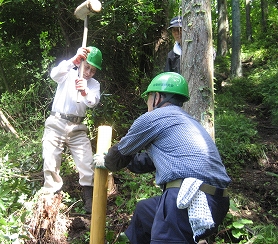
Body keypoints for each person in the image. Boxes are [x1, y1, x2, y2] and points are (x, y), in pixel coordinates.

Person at [93, 72, 231, 243]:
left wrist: (106, 161)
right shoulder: (188, 123)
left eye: (148, 98)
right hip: (217, 202)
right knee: (145, 212)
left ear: (157, 97)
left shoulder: (152, 118)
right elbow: (145, 162)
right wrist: (123, 162)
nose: (147, 104)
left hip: (187, 198)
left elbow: (120, 154)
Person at [42, 46, 102, 214]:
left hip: (77, 127)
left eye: (93, 70)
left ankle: (89, 199)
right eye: (87, 67)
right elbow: (54, 75)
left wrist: (84, 90)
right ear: (81, 63)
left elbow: (93, 102)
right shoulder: (68, 72)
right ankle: (50, 198)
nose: (89, 72)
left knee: (87, 161)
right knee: (50, 159)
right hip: (57, 122)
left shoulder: (94, 85)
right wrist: (72, 61)